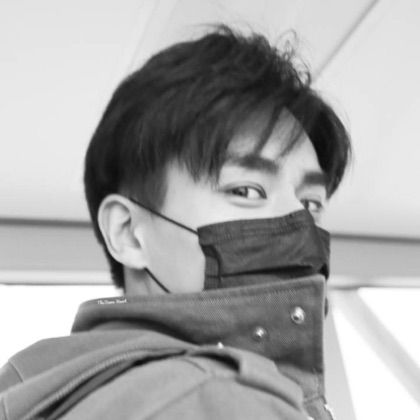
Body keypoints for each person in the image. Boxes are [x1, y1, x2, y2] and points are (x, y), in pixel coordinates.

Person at [0, 26, 350, 419]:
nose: (298, 220)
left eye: (311, 203)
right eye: (245, 190)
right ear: (128, 233)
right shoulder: (219, 397)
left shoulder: (59, 393)